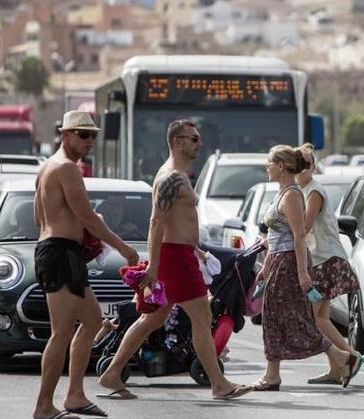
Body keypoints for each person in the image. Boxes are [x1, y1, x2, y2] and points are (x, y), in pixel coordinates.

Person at [98, 119, 251, 401]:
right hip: (173, 258)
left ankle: (112, 372)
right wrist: (154, 267)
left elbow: (176, 224)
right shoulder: (171, 178)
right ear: (178, 141)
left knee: (153, 319)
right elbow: (156, 222)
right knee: (199, 318)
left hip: (181, 255)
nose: (199, 143)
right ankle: (219, 384)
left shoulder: (178, 176)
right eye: (194, 138)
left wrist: (196, 251)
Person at [32, 110, 139, 419]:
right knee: (61, 332)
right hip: (59, 253)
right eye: (82, 134)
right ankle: (43, 405)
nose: (89, 140)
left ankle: (75, 395)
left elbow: (40, 218)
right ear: (66, 134)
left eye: (92, 134)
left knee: (92, 321)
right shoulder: (65, 168)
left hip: (62, 251)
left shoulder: (48, 167)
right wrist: (122, 247)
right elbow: (87, 217)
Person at [251, 145, 363, 391]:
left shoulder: (292, 195)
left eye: (269, 162)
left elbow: (299, 236)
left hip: (290, 263)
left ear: (281, 166)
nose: (266, 167)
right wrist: (266, 266)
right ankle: (276, 374)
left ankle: (339, 357)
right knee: (277, 317)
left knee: (294, 318)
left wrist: (303, 273)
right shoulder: (282, 192)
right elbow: (274, 236)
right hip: (279, 261)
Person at [295, 144, 364, 386]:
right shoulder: (301, 190)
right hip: (321, 258)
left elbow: (304, 226)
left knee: (316, 320)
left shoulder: (313, 191)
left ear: (313, 167)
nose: (303, 168)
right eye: (299, 163)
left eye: (307, 164)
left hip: (327, 260)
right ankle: (337, 369)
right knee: (321, 318)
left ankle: (350, 357)